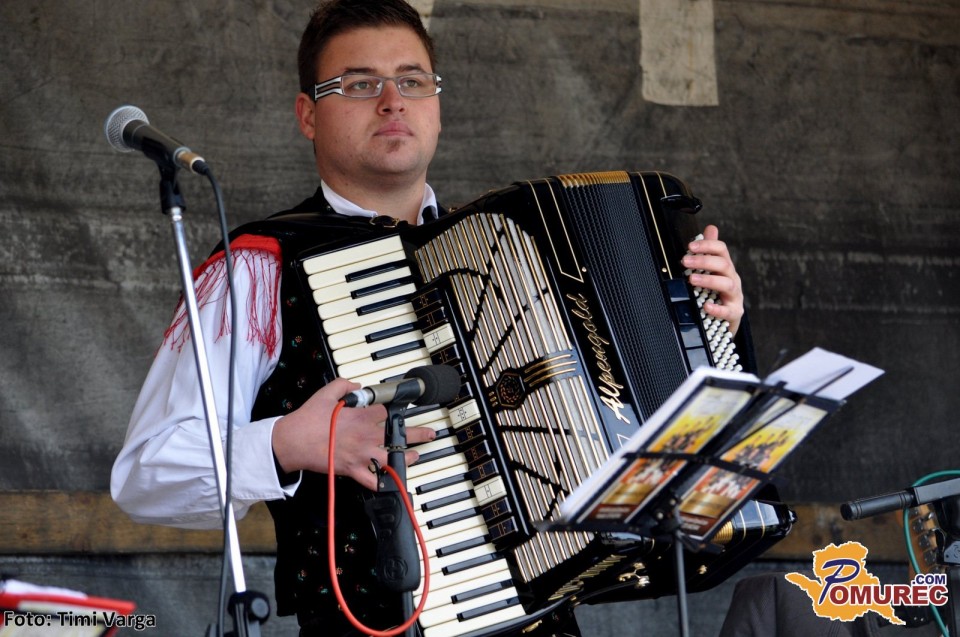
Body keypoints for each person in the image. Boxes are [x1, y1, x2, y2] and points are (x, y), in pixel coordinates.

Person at [110, 1, 749, 635]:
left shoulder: (514, 250)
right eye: (360, 84)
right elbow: (146, 475)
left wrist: (709, 332)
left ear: (437, 106)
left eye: (412, 81)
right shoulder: (259, 266)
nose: (393, 102)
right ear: (308, 114)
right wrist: (287, 444)